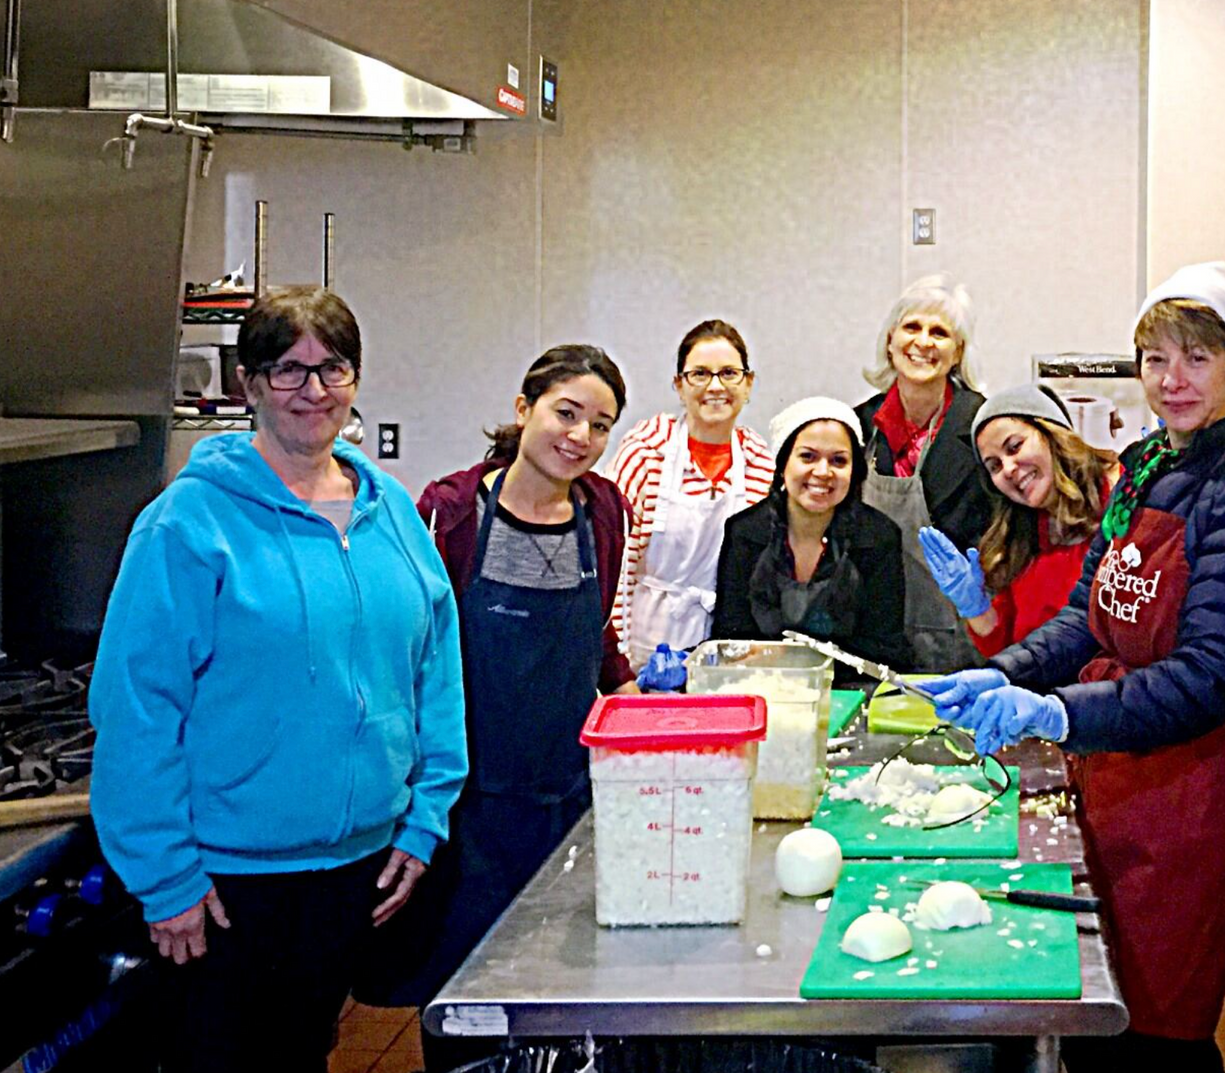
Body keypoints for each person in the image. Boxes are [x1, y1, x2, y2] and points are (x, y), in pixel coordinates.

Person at [925, 263, 1225, 1071]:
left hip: (1184, 799)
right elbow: (1084, 614)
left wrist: (1058, 712)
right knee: (1101, 1021)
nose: (1172, 380)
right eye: (1155, 358)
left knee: (1159, 1037)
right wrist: (1011, 673)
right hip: (1112, 779)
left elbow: (1207, 676)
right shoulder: (1142, 467)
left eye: (1197, 358)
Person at [88, 287, 467, 1073]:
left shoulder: (389, 509)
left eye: (332, 367)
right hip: (227, 884)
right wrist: (166, 879)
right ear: (249, 385)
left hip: (355, 870)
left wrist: (426, 816)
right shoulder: (187, 524)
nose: (313, 390)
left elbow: (436, 665)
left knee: (302, 1058)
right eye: (287, 371)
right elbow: (136, 709)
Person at [355, 345, 636, 1045]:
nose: (581, 437)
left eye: (601, 425)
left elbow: (597, 637)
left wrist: (643, 711)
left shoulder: (604, 509)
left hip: (569, 804)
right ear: (523, 408)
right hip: (466, 811)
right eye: (566, 413)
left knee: (565, 999)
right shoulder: (451, 512)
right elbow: (407, 655)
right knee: (465, 1009)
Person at [853, 274, 996, 671]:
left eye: (939, 333)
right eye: (912, 327)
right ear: (890, 340)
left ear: (957, 352)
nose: (923, 342)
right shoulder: (860, 427)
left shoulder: (983, 427)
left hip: (964, 640)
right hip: (874, 637)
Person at [610, 320, 774, 662]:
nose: (715, 386)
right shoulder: (645, 452)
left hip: (724, 650)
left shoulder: (761, 463)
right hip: (642, 645)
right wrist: (617, 662)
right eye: (700, 374)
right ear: (679, 386)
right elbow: (616, 567)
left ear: (748, 384)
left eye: (729, 373)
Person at [917, 383, 1121, 657]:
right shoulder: (1020, 539)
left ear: (1052, 433)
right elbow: (1005, 649)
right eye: (995, 466)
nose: (1009, 469)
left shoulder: (1123, 501)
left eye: (1014, 447)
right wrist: (975, 609)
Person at [711, 397, 910, 673]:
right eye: (808, 456)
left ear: (855, 471)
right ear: (783, 464)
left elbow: (884, 650)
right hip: (760, 687)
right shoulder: (745, 532)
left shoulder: (878, 538)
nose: (823, 472)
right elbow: (730, 640)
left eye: (838, 461)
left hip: (851, 692)